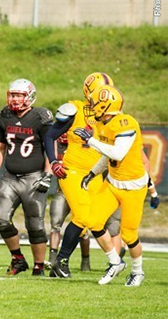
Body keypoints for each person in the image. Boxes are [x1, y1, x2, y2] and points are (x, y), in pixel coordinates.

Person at [74, 84, 150, 286]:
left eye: (94, 103)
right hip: (113, 182)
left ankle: (138, 271)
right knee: (93, 221)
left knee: (129, 235)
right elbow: (107, 155)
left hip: (133, 186)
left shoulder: (126, 123)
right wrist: (92, 173)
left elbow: (117, 153)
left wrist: (91, 141)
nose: (91, 107)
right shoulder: (101, 124)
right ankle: (115, 262)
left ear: (105, 105)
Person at [43, 72, 113, 278]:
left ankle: (114, 261)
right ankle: (61, 262)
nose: (104, 97)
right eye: (101, 93)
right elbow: (50, 136)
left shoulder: (110, 117)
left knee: (92, 220)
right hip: (72, 170)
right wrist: (54, 161)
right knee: (82, 216)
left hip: (95, 174)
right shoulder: (75, 110)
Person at [0, 79, 53, 276]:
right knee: (1, 218)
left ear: (30, 96)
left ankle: (39, 266)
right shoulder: (5, 115)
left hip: (33, 177)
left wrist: (48, 175)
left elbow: (52, 148)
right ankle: (18, 258)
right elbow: (0, 147)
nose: (14, 99)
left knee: (35, 224)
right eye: (12, 95)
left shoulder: (40, 117)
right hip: (10, 177)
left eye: (19, 95)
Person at [45, 132, 90, 272]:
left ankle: (85, 261)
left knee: (82, 229)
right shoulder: (55, 147)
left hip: (79, 191)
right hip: (62, 192)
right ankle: (52, 260)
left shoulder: (82, 148)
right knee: (55, 224)